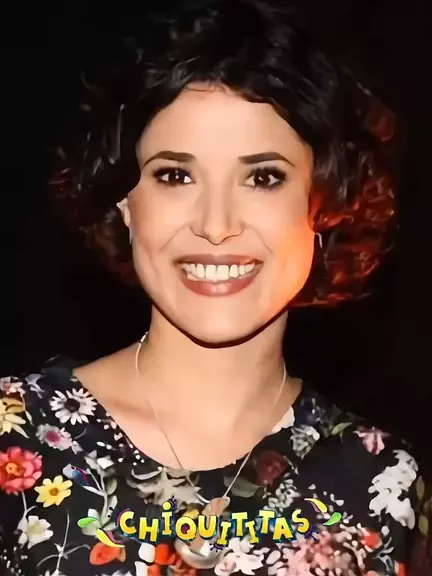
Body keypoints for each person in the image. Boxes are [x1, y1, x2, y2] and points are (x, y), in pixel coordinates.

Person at [0, 0, 428, 574]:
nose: (216, 224)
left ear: (326, 204)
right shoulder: (15, 435)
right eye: (175, 175)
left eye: (264, 177)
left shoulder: (381, 482)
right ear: (126, 204)